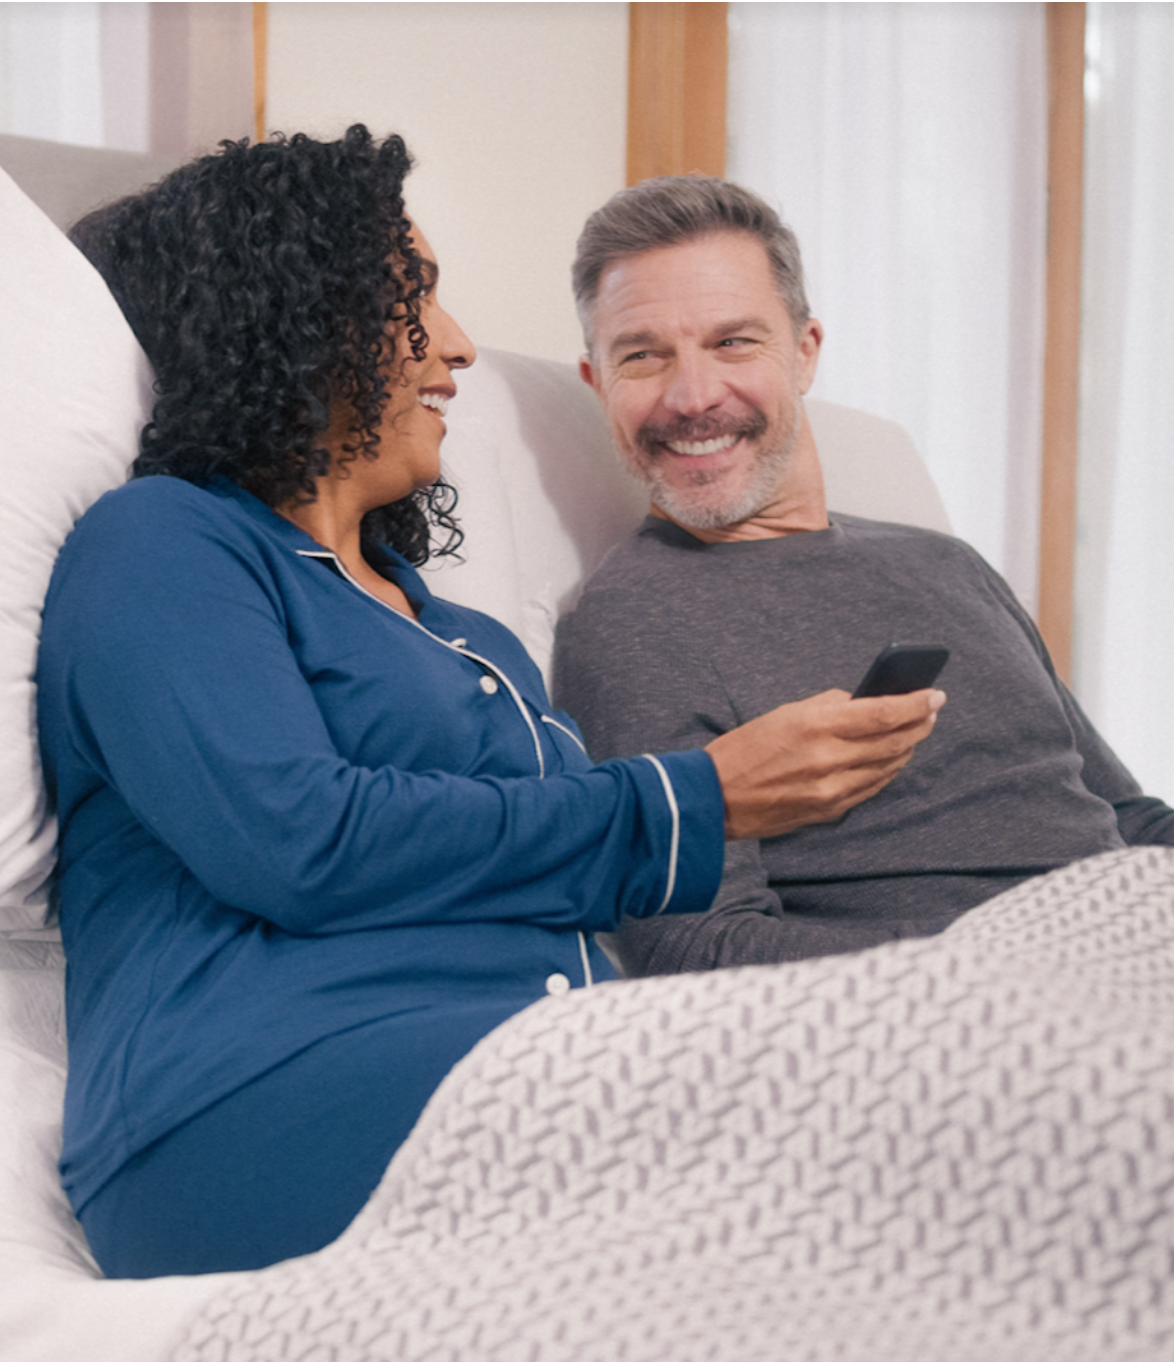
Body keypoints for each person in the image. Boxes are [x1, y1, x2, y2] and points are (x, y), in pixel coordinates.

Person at [36, 129, 941, 1278]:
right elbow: (298, 841)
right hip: (249, 1096)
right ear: (292, 321)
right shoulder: (165, 543)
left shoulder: (473, 640)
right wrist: (693, 799)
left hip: (523, 1059)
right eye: (412, 305)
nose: (455, 349)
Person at [553, 175, 1174, 978]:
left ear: (805, 351)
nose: (694, 394)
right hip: (984, 1005)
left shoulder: (946, 562)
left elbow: (1126, 816)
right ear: (597, 381)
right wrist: (1034, 966)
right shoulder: (630, 621)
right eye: (643, 355)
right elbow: (703, 946)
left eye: (734, 342)